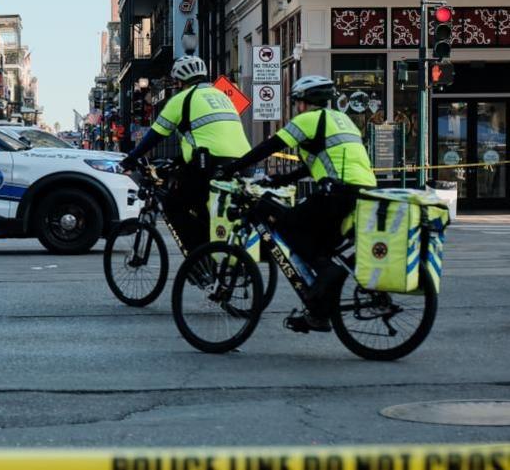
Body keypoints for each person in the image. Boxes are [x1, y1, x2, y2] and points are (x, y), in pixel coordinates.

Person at [215, 75, 377, 333]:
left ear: (305, 101)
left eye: (297, 102)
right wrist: (283, 178)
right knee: (320, 249)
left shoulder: (308, 120)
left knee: (288, 226)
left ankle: (326, 280)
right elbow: (317, 161)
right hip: (363, 193)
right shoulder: (343, 120)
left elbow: (269, 147)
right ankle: (319, 310)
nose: (296, 107)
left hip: (335, 193)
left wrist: (231, 169)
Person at [120, 55, 251, 251]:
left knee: (173, 204)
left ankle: (199, 256)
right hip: (244, 160)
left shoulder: (181, 99)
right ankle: (217, 254)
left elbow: (155, 135)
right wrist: (178, 161)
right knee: (205, 207)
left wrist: (131, 158)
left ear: (180, 81)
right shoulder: (222, 95)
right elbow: (207, 134)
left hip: (212, 162)